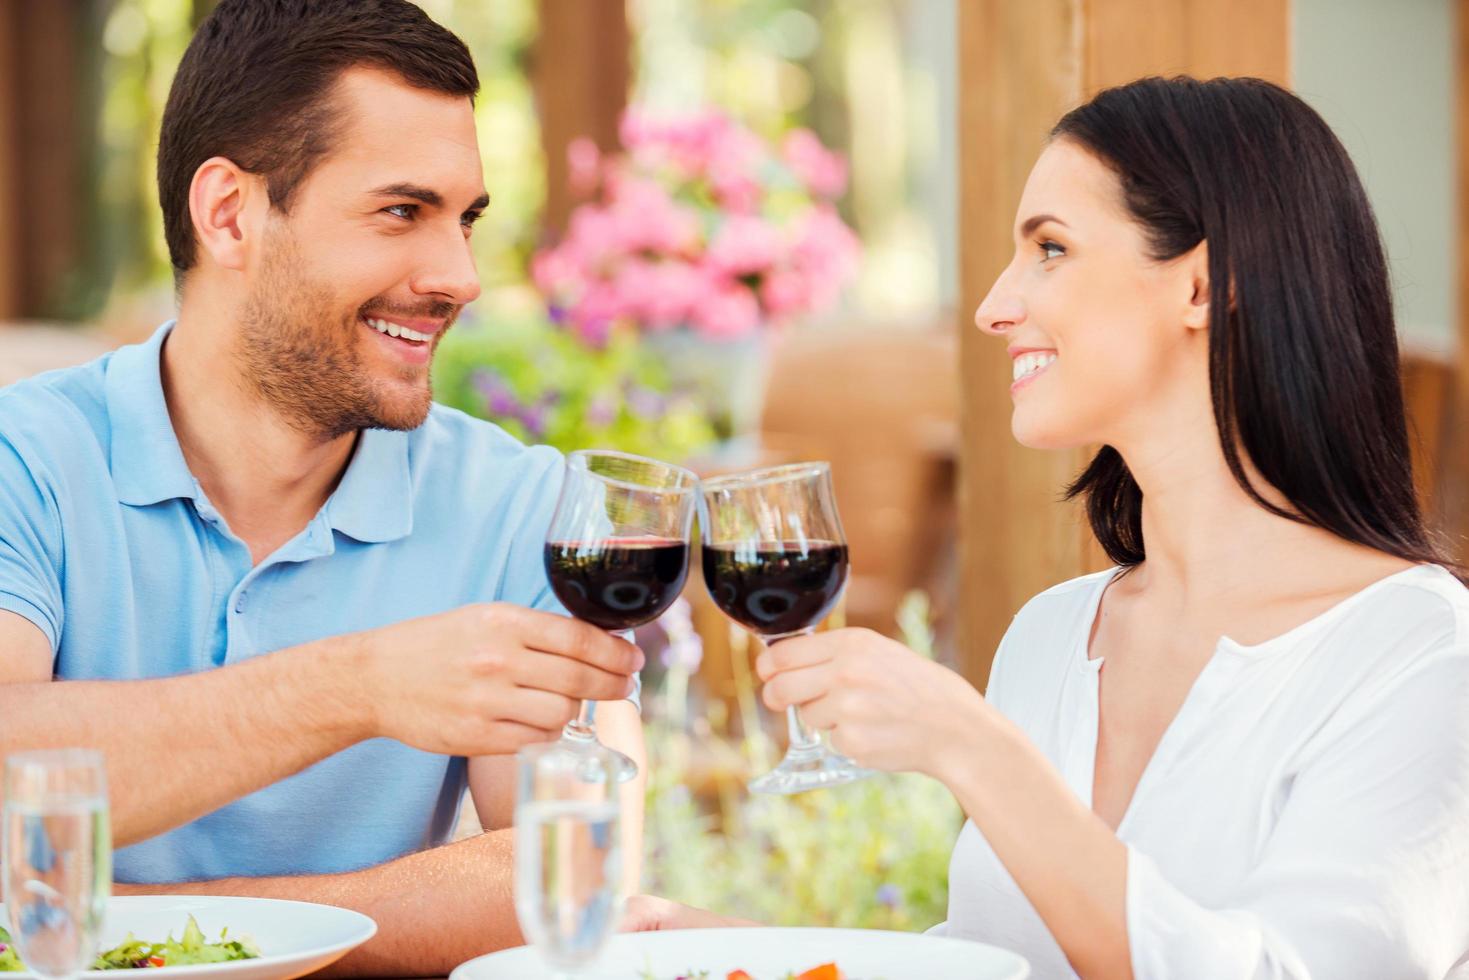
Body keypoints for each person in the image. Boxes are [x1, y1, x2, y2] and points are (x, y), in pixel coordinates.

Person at [626, 75, 1469, 978]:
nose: (993, 306)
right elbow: (1003, 965)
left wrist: (972, 748)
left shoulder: (1417, 654)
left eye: (1051, 249)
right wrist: (741, 953)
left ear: (1202, 284)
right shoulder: (1056, 635)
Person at [0, 1, 646, 974]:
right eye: (401, 211)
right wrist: (360, 685)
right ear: (229, 214)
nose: (459, 276)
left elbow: (577, 870)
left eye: (464, 219)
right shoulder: (26, 460)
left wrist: (118, 921)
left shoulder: (522, 505)